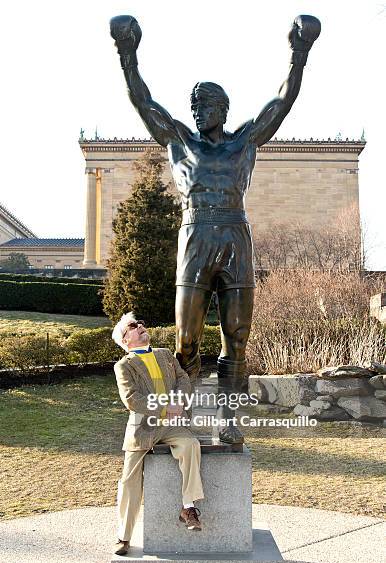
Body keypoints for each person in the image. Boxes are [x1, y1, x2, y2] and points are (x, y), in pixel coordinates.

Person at [110, 14, 321, 444]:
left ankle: (230, 420)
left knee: (237, 338)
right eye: (194, 106)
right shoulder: (181, 142)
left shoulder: (244, 141)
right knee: (186, 338)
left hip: (235, 237)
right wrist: (127, 53)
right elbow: (143, 101)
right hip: (196, 236)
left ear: (222, 109)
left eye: (204, 106)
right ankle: (183, 416)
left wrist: (299, 54)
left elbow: (281, 103)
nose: (196, 112)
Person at [112, 312, 204, 555]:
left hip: (172, 424)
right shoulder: (124, 365)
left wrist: (178, 402)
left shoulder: (165, 355)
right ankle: (123, 536)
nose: (141, 326)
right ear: (125, 340)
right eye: (133, 326)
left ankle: (188, 508)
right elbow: (132, 399)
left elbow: (183, 380)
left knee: (191, 445)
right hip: (142, 429)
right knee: (129, 482)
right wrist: (165, 407)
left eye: (140, 323)